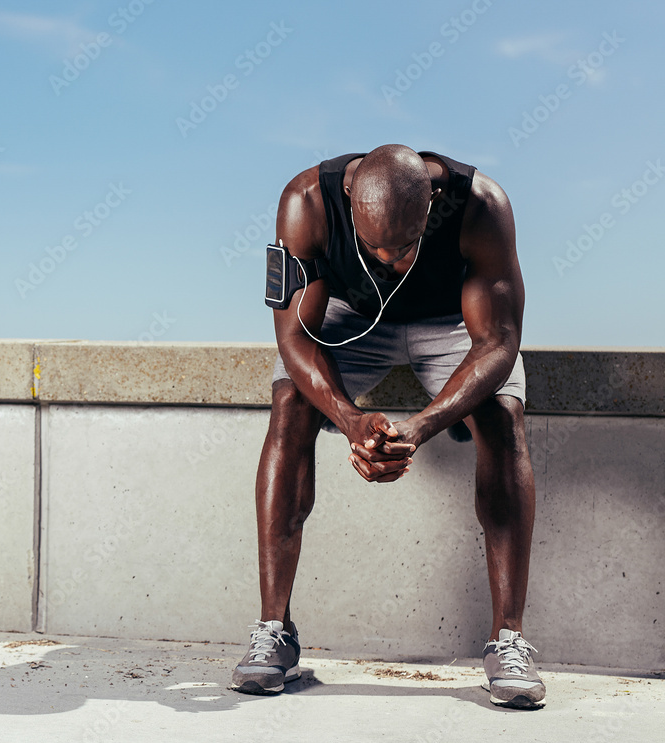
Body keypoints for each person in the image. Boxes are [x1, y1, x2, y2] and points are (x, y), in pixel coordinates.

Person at [232, 144, 545, 709]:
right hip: (352, 318)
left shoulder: (481, 207)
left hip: (452, 319)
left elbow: (498, 342)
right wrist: (350, 419)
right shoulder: (307, 203)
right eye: (373, 244)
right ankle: (272, 633)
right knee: (290, 406)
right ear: (350, 201)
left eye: (404, 246)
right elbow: (294, 337)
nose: (388, 259)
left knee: (502, 415)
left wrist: (422, 427)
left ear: (433, 204)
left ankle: (510, 640)